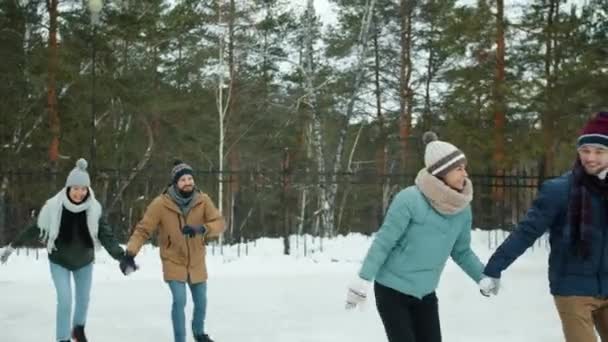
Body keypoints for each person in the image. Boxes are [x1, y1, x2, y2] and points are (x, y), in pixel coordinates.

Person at [345, 132, 485, 342]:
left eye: (464, 168)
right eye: (458, 168)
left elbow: (461, 251)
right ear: (441, 172)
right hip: (392, 291)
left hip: (426, 293)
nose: (465, 174)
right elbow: (384, 242)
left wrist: (483, 277)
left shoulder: (462, 208)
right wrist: (363, 279)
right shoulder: (410, 199)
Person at [480, 112, 608, 342]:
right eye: (585, 150)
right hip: (572, 288)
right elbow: (526, 233)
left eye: (599, 151)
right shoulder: (559, 191)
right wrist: (494, 267)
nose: (590, 158)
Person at [0, 158, 126, 342]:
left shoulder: (94, 209)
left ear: (87, 189)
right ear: (68, 188)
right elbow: (34, 228)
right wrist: (13, 246)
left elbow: (106, 235)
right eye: (75, 188)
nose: (79, 193)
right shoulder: (53, 207)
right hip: (60, 261)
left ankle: (78, 329)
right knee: (65, 301)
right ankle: (63, 338)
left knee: (83, 300)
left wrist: (121, 256)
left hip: (84, 261)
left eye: (83, 189)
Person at [120, 160, 225, 342]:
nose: (187, 182)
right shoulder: (161, 204)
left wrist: (202, 229)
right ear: (175, 183)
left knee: (201, 301)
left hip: (196, 260)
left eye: (190, 178)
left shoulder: (203, 200)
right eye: (183, 179)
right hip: (173, 259)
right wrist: (130, 253)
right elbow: (143, 229)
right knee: (179, 300)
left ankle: (199, 333)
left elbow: (220, 223)